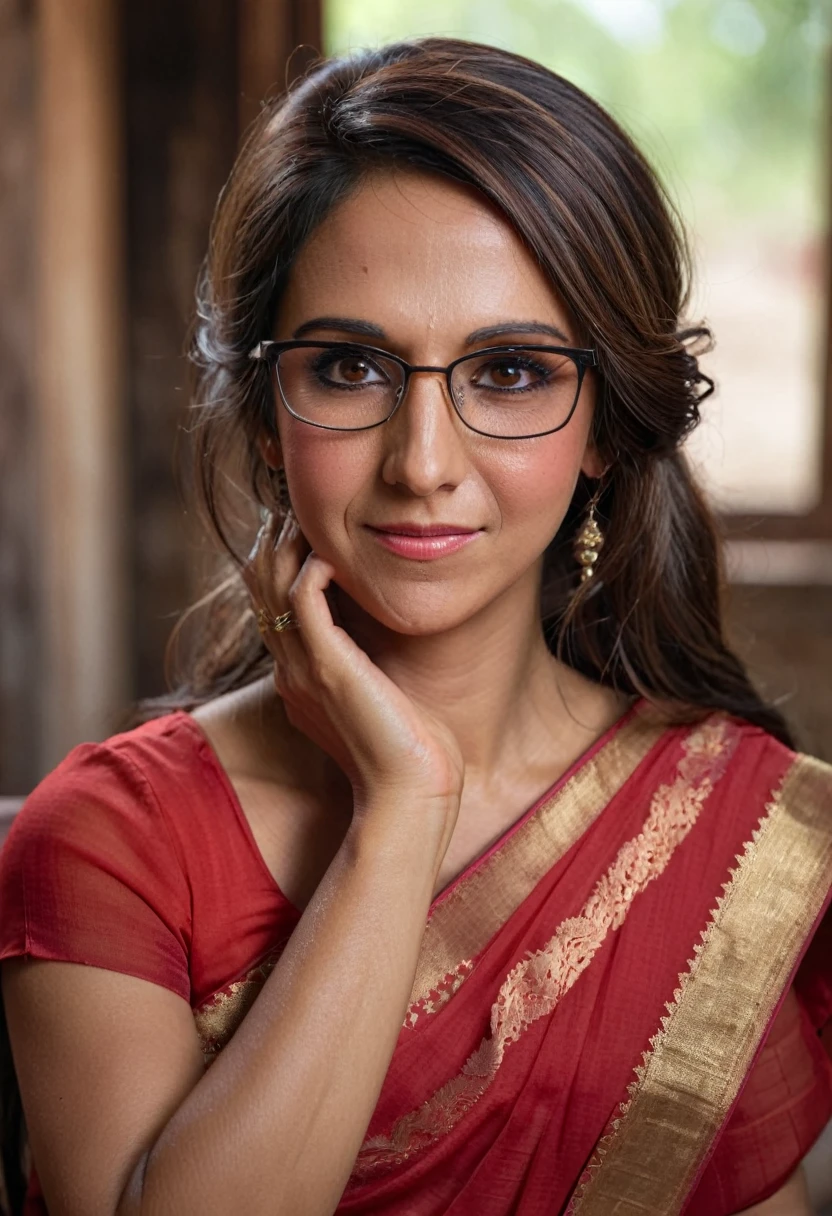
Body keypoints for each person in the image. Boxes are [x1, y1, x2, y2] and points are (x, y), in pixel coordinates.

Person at [0, 35, 829, 1216]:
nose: (423, 464)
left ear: (604, 428)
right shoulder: (112, 842)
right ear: (269, 411)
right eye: (348, 367)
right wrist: (400, 811)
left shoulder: (744, 830)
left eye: (508, 373)